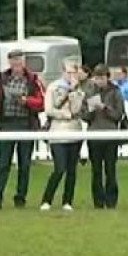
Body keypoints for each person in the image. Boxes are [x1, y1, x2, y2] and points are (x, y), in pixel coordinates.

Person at [0, 49, 45, 209]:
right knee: (3, 163)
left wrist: (26, 101)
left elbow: (42, 102)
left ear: (23, 62)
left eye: (19, 62)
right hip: (6, 124)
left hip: (25, 123)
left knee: (24, 163)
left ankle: (21, 196)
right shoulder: (3, 78)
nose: (16, 66)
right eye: (14, 63)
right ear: (9, 63)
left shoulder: (32, 80)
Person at [40, 61, 87, 211]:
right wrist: (64, 114)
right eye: (69, 72)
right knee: (59, 168)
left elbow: (77, 110)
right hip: (58, 132)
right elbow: (49, 109)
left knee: (72, 170)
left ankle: (68, 201)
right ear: (63, 72)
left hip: (75, 132)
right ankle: (47, 199)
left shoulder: (79, 91)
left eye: (74, 72)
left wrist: (75, 93)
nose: (71, 75)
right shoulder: (53, 87)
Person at [82, 64, 125, 209]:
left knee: (110, 169)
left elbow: (118, 115)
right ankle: (98, 201)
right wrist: (92, 110)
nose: (99, 81)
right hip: (94, 134)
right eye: (96, 78)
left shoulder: (115, 92)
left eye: (101, 78)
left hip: (110, 134)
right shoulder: (89, 92)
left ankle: (111, 200)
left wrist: (105, 108)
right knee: (96, 170)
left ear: (107, 77)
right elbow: (85, 116)